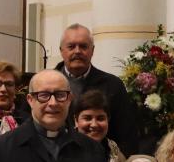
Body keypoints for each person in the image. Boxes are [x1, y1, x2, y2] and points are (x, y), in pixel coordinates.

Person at [56, 24, 138, 153]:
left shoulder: (113, 86)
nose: (77, 51)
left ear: (92, 50)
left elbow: (126, 134)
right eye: (71, 46)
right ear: (61, 50)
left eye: (83, 46)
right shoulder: (46, 85)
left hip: (102, 161)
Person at [73, 89, 127, 162]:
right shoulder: (64, 151)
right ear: (76, 120)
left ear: (108, 120)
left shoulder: (115, 152)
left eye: (100, 118)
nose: (94, 124)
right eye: (87, 118)